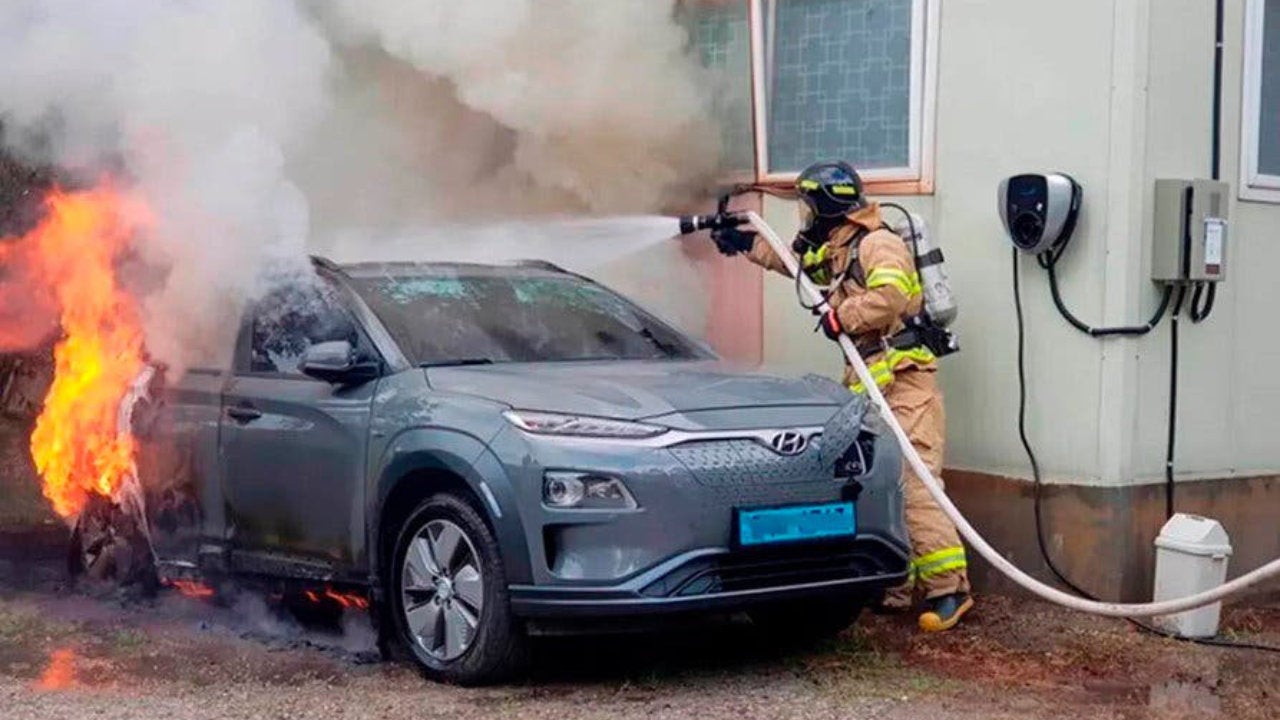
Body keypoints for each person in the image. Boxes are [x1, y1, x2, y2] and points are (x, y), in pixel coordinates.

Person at [711, 161, 973, 632]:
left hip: (906, 382)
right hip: (872, 383)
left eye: (810, 206)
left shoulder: (878, 243)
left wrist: (842, 317)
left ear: (826, 206)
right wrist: (745, 245)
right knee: (880, 483)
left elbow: (891, 296)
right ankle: (896, 584)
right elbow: (794, 266)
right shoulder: (839, 247)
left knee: (915, 483)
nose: (806, 217)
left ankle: (949, 589)